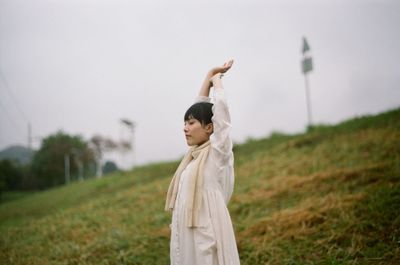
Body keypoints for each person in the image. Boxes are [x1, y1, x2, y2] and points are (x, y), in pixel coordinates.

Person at [165, 60, 240, 265]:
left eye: (191, 123)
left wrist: (217, 84)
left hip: (208, 240)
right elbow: (200, 107)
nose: (185, 128)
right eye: (185, 123)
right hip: (188, 239)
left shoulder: (218, 153)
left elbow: (221, 119)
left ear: (209, 128)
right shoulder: (194, 157)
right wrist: (209, 75)